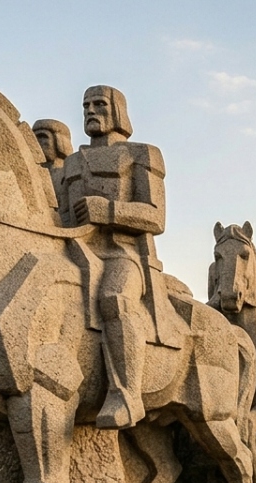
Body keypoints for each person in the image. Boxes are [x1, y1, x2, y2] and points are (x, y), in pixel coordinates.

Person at [60, 85, 180, 429]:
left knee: (115, 298)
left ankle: (126, 395)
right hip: (76, 251)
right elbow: (63, 215)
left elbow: (155, 217)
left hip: (123, 254)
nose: (90, 110)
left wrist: (109, 210)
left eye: (99, 104)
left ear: (117, 111)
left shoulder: (142, 154)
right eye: (86, 105)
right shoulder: (72, 162)